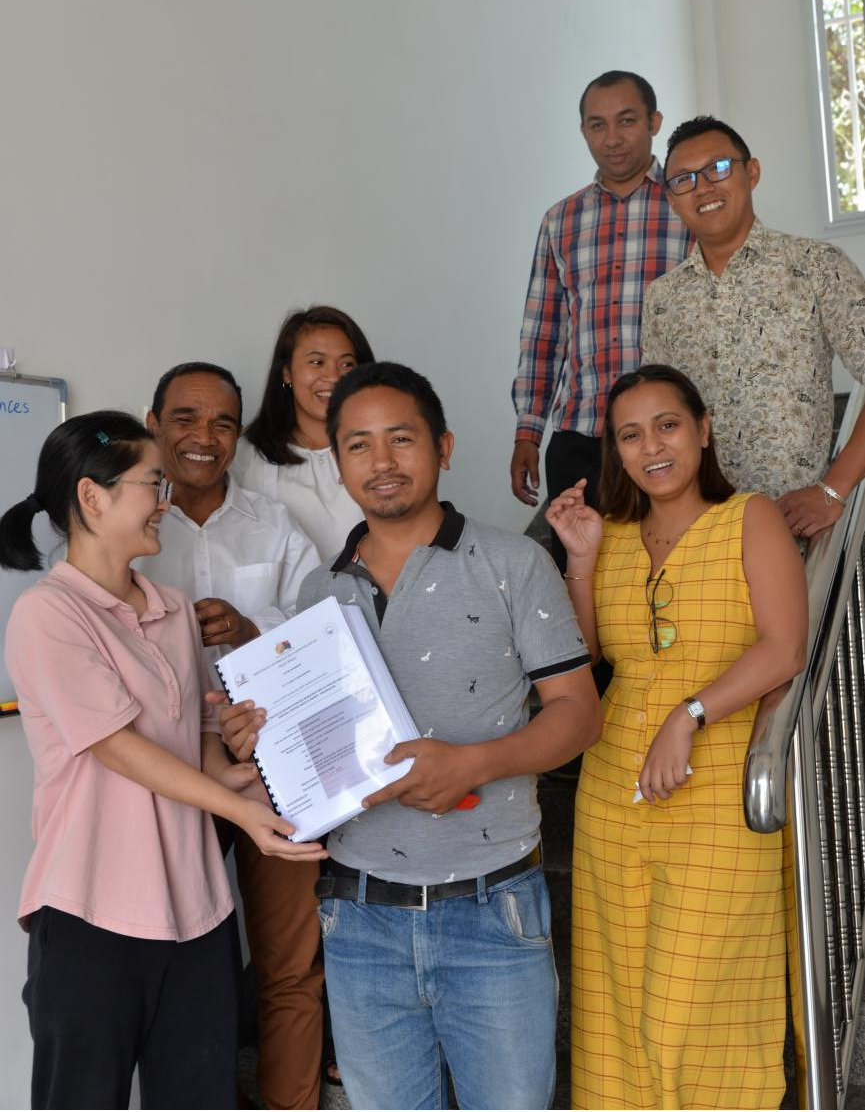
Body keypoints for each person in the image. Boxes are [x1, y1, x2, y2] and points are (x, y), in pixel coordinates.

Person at [216, 362, 603, 1111]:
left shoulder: (513, 563)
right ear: (338, 465)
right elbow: (317, 756)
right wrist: (259, 738)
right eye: (358, 445)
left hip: (494, 911)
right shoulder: (320, 593)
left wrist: (473, 763)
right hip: (359, 919)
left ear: (443, 447)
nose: (382, 461)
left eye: (401, 438)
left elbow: (579, 715)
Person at [0, 412, 321, 1112]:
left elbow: (196, 747)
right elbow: (119, 747)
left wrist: (247, 766)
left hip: (197, 909)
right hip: (91, 911)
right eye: (154, 484)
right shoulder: (46, 614)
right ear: (92, 497)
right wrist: (239, 811)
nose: (166, 503)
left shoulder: (173, 609)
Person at [545, 366, 807, 1110]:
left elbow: (785, 647)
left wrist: (687, 715)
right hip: (611, 793)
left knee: (686, 1014)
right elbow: (584, 655)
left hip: (719, 787)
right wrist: (580, 558)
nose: (651, 447)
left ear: (703, 429)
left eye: (667, 425)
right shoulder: (614, 534)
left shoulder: (749, 518)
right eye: (630, 435)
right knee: (615, 1008)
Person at [139, 362, 323, 1112]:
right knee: (170, 959)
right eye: (185, 418)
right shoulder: (130, 521)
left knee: (289, 963)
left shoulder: (272, 523)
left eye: (222, 422)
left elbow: (323, 628)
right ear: (153, 423)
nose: (204, 437)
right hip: (165, 768)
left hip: (273, 762)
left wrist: (253, 630)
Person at [641, 114, 865, 540]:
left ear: (752, 172)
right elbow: (659, 419)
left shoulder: (817, 267)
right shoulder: (662, 299)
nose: (703, 187)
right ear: (671, 199)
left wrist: (832, 490)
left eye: (718, 168)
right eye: (684, 179)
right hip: (702, 538)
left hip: (794, 532)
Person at [511, 70, 694, 570]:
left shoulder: (687, 205)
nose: (612, 138)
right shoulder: (560, 220)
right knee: (583, 577)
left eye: (627, 121)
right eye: (597, 125)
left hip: (665, 436)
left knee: (673, 569)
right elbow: (543, 334)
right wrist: (528, 432)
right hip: (581, 436)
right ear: (583, 131)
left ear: (654, 122)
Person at [233, 305, 375, 561]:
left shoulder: (381, 451)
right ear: (286, 372)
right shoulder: (245, 458)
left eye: (347, 364)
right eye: (317, 362)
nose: (333, 376)